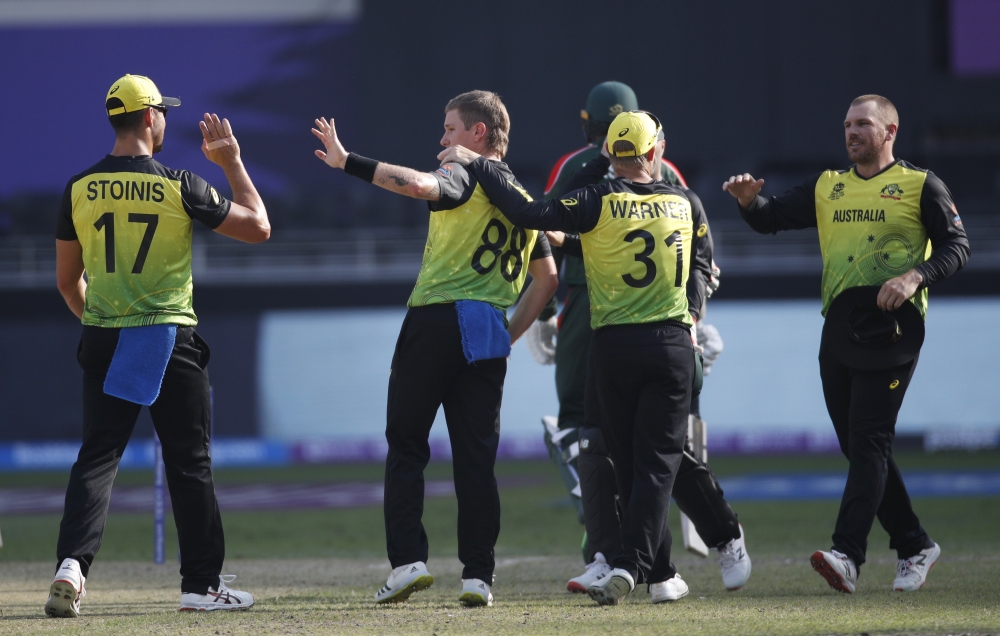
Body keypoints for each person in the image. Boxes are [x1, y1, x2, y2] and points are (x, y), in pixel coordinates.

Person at [440, 110, 710, 606]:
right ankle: (648, 566)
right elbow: (701, 267)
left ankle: (642, 565)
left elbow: (529, 215)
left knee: (627, 462)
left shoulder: (595, 200)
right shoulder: (685, 203)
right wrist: (693, 316)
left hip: (611, 346)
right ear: (655, 154)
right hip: (670, 342)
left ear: (608, 153)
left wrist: (480, 167)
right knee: (655, 464)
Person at [311, 90, 558, 608]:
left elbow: (422, 185)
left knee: (406, 444)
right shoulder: (519, 194)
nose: (442, 140)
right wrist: (508, 333)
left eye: (449, 129)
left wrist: (348, 162)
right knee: (476, 461)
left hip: (438, 318)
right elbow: (548, 277)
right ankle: (478, 577)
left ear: (479, 134)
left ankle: (407, 565)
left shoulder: (465, 172)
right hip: (487, 329)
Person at [723, 94, 969, 594]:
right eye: (847, 125)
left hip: (894, 331)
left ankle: (847, 555)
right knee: (858, 446)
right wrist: (750, 202)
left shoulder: (920, 185)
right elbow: (771, 218)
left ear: (890, 131)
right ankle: (915, 544)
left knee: (870, 441)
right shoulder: (827, 187)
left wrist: (915, 276)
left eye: (863, 124)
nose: (852, 132)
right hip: (839, 330)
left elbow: (958, 246)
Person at [48, 74, 270, 617]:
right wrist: (231, 162)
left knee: (97, 457)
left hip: (103, 335)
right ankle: (200, 585)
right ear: (150, 117)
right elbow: (259, 227)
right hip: (168, 336)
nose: (166, 119)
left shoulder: (78, 187)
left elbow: (65, 281)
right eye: (163, 112)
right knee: (190, 463)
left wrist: (99, 322)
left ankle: (71, 567)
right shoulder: (179, 183)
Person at [545, 121, 750, 597]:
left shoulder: (673, 187)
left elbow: (701, 261)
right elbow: (589, 236)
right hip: (606, 330)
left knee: (658, 457)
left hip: (666, 333)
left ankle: (685, 547)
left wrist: (693, 318)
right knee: (614, 450)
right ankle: (651, 569)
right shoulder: (592, 176)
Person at [533, 82, 688, 525]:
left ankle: (601, 535)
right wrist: (694, 317)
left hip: (589, 300)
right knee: (658, 426)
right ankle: (654, 538)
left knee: (582, 419)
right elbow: (692, 253)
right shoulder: (669, 171)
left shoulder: (575, 165)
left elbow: (546, 227)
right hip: (663, 313)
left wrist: (545, 311)